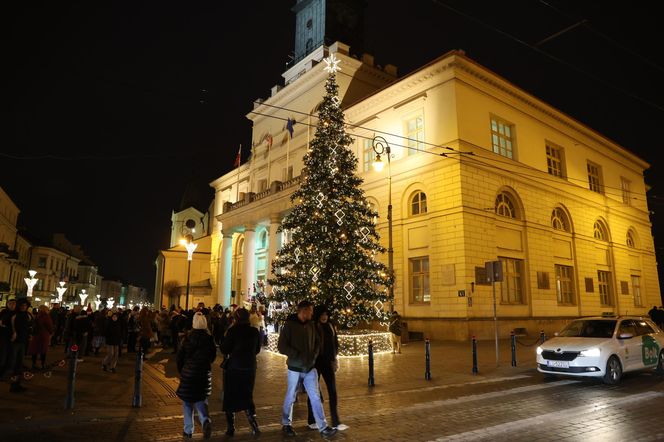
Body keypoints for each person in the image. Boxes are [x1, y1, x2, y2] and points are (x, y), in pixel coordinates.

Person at [278, 300, 337, 438]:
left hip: (310, 368)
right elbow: (282, 346)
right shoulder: (289, 325)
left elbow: (317, 342)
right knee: (291, 396)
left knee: (316, 397)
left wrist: (314, 355)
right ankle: (286, 424)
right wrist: (296, 355)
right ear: (303, 311)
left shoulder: (311, 325)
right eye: (310, 311)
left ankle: (323, 427)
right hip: (295, 368)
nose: (312, 313)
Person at [220, 307, 261, 436]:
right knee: (247, 395)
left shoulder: (232, 331)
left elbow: (225, 349)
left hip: (234, 367)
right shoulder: (254, 331)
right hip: (250, 366)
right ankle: (254, 425)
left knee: (230, 395)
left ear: (236, 318)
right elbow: (257, 349)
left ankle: (231, 427)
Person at [176, 312, 216, 440]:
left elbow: (179, 357)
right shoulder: (209, 339)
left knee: (187, 402)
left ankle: (188, 430)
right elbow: (213, 356)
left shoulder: (186, 338)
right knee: (201, 399)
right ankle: (205, 421)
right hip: (203, 373)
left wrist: (182, 370)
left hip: (188, 373)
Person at [306, 305, 347, 431]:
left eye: (326, 315)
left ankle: (336, 420)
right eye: (322, 315)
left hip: (328, 362)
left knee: (333, 391)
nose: (324, 317)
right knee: (314, 392)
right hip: (316, 363)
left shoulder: (330, 326)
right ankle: (312, 420)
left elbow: (335, 343)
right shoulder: (313, 326)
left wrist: (335, 358)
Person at [6, 298, 33, 392]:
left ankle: (16, 384)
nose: (23, 307)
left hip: (22, 342)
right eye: (22, 305)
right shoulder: (14, 315)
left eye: (25, 305)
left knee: (19, 364)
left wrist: (30, 334)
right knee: (13, 364)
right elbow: (6, 324)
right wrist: (13, 333)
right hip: (15, 342)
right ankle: (13, 385)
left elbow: (30, 326)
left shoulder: (27, 315)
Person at [28, 305, 54, 370]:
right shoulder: (46, 316)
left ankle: (34, 364)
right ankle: (42, 364)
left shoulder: (37, 316)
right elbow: (49, 326)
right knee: (43, 350)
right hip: (44, 335)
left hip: (36, 335)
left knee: (35, 350)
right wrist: (51, 332)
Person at [0, 298, 17, 375]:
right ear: (7, 304)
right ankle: (2, 369)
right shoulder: (4, 312)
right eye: (10, 303)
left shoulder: (17, 313)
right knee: (3, 353)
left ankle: (8, 369)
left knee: (11, 354)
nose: (12, 305)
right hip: (4, 336)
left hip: (14, 336)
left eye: (13, 304)